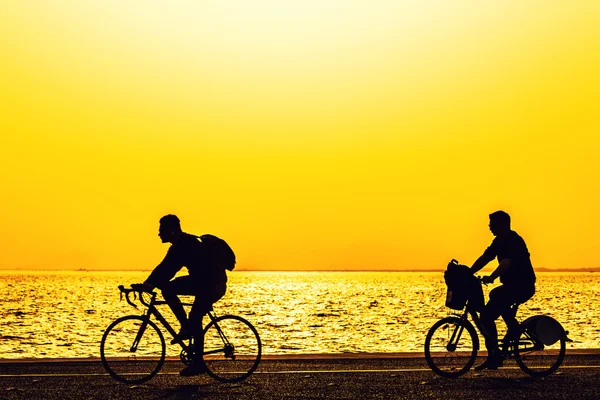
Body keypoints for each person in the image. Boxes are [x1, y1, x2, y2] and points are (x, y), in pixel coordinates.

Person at [138, 214, 228, 376]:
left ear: (171, 231)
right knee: (168, 289)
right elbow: (164, 268)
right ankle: (187, 327)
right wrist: (148, 283)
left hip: (212, 285)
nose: (158, 233)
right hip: (202, 283)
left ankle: (198, 362)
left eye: (161, 230)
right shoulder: (179, 245)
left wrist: (150, 284)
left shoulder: (184, 245)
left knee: (195, 316)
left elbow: (168, 269)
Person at [469, 211, 536, 371]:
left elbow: (506, 262)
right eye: (489, 225)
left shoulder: (514, 240)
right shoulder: (498, 242)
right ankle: (493, 355)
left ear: (503, 224)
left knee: (495, 296)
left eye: (492, 225)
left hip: (523, 285)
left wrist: (491, 277)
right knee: (486, 317)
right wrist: (469, 272)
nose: (490, 228)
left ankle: (511, 330)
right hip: (510, 286)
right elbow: (485, 258)